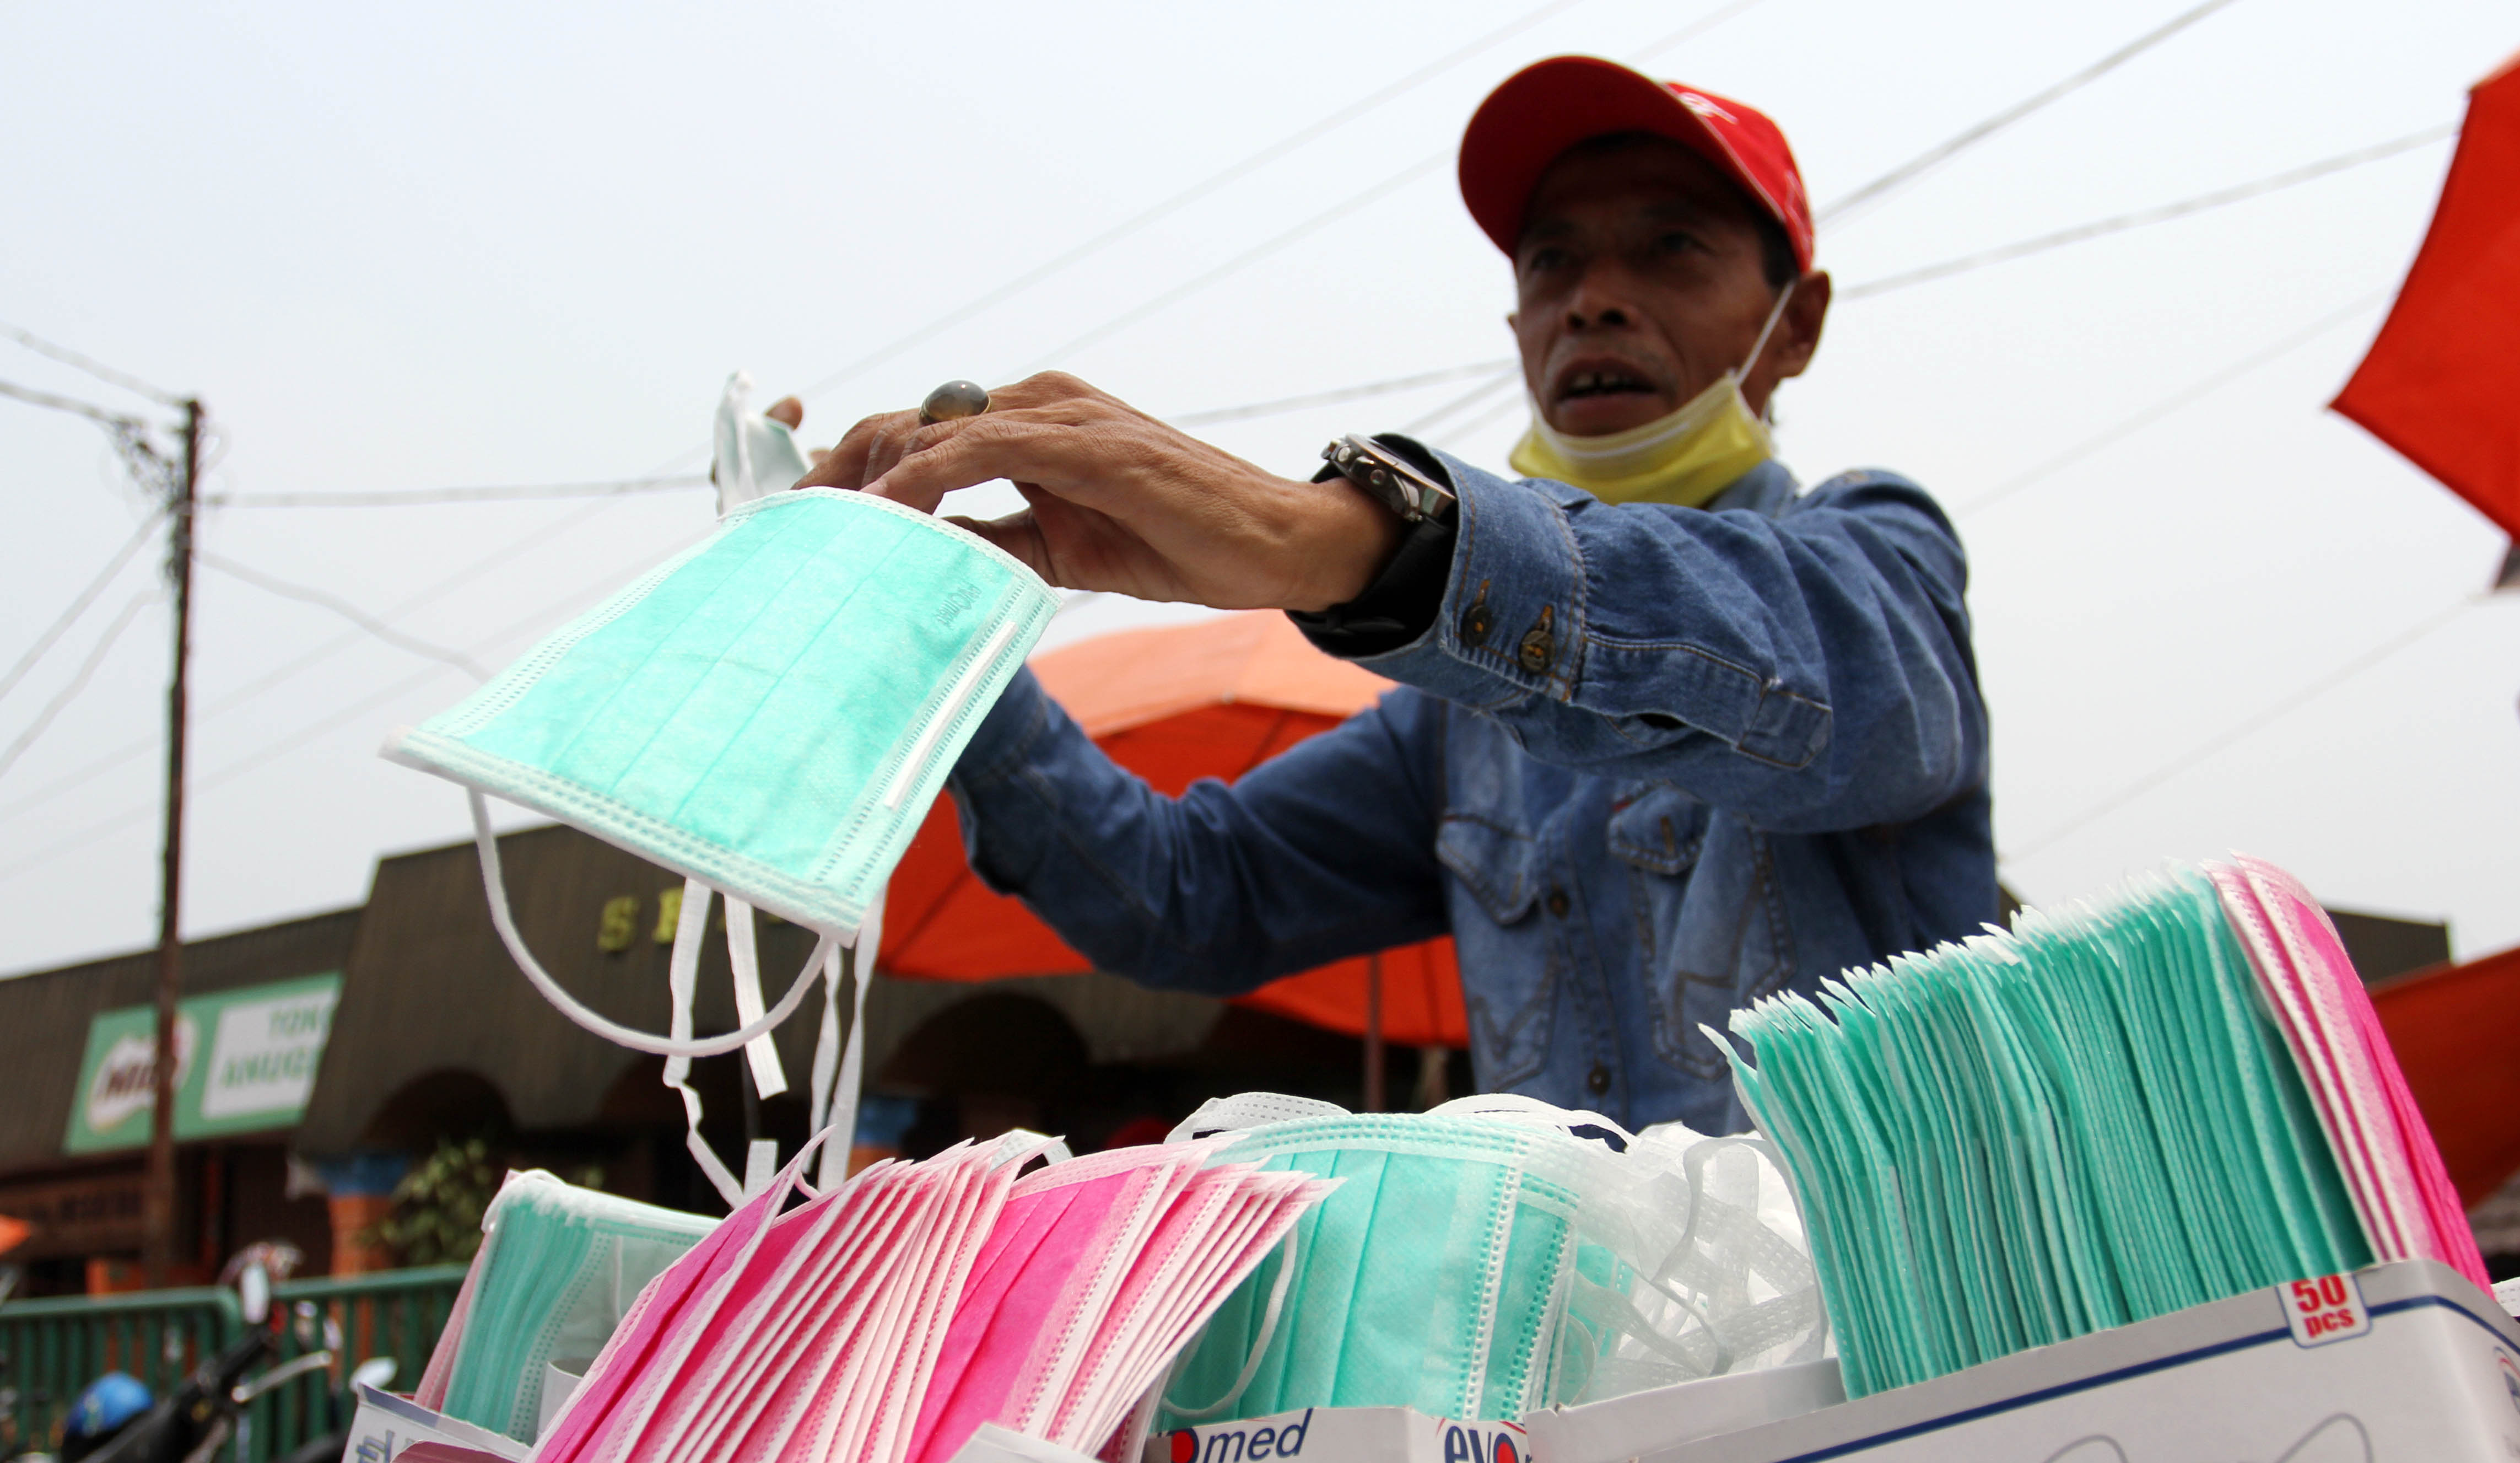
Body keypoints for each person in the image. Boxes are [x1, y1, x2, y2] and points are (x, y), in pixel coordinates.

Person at [802, 57, 1992, 1133]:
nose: (1595, 299)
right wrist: (943, 612)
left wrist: (1329, 536)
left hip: (1910, 1358)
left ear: (1798, 326)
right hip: (1602, 1350)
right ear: (1519, 323)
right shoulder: (1454, 727)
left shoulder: (1883, 554)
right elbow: (1186, 894)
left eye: (1672, 246)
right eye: (1554, 262)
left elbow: (1839, 683)